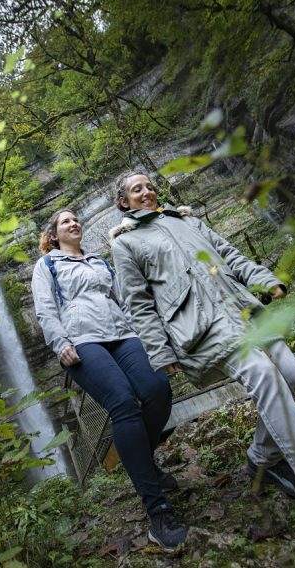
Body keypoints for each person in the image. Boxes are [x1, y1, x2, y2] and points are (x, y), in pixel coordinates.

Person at [109, 171, 295, 549]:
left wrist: (262, 279)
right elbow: (138, 303)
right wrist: (160, 351)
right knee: (265, 376)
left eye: (148, 185)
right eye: (136, 189)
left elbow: (228, 254)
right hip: (203, 327)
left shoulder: (186, 220)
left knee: (290, 374)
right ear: (124, 202)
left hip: (241, 310)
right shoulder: (127, 244)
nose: (146, 191)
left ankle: (261, 459)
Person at [31, 208, 188, 551]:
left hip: (122, 333)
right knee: (123, 404)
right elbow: (45, 308)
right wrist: (60, 342)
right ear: (54, 235)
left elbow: (126, 298)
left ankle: (141, 460)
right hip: (82, 341)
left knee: (157, 388)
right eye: (65, 222)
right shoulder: (48, 265)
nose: (74, 223)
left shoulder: (99, 261)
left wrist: (145, 334)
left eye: (76, 219)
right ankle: (158, 510)